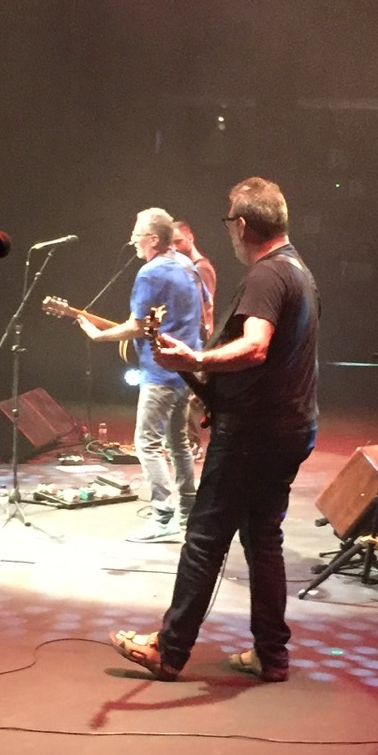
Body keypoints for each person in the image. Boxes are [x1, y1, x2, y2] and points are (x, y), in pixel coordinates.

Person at [112, 177, 319, 682]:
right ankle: (272, 654)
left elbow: (256, 346)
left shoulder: (267, 275)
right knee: (263, 539)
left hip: (253, 435)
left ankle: (169, 649)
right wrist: (222, 395)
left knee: (205, 538)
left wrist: (197, 359)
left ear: (242, 225)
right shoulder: (298, 270)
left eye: (229, 222)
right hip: (290, 425)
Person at [76, 207, 205, 542]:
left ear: (153, 239)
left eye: (137, 233)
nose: (132, 239)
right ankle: (188, 511)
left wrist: (99, 336)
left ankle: (163, 517)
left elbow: (136, 326)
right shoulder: (187, 265)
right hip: (186, 370)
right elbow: (198, 313)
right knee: (178, 443)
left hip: (161, 373)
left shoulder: (150, 273)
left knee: (146, 443)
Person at [171, 218, 217, 459]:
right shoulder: (186, 267)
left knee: (190, 397)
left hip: (198, 339)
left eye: (178, 241)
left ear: (190, 238)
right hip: (191, 338)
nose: (175, 247)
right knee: (185, 395)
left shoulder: (201, 268)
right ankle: (186, 442)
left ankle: (192, 444)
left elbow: (203, 307)